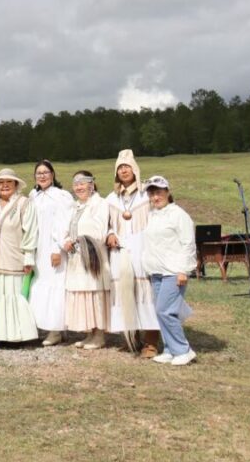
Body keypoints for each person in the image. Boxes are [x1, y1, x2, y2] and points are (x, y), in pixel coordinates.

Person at [105, 149, 160, 357]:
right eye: (120, 168)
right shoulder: (111, 198)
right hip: (120, 251)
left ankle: (151, 341)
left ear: (135, 169)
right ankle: (131, 336)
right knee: (125, 292)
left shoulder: (146, 194)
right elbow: (107, 223)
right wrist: (110, 233)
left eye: (127, 167)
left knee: (146, 294)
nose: (124, 171)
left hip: (143, 249)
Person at [142, 176, 197, 365]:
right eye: (152, 193)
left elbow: (188, 244)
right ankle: (170, 349)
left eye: (159, 192)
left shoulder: (178, 215)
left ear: (167, 192)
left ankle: (183, 349)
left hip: (173, 271)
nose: (155, 197)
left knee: (165, 311)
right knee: (161, 312)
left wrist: (184, 270)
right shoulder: (153, 215)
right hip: (156, 272)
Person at [0, 168, 39, 343]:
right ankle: (2, 336)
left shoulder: (24, 203)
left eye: (9, 182)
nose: (5, 185)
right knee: (1, 296)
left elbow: (30, 231)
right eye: (1, 182)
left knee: (17, 297)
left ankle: (21, 336)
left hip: (17, 257)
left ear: (16, 185)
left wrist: (29, 257)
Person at [61, 172, 111, 350]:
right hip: (76, 257)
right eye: (76, 184)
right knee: (84, 293)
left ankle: (99, 335)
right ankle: (90, 333)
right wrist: (65, 241)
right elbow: (66, 230)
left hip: (94, 257)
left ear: (91, 185)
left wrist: (77, 239)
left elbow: (100, 231)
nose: (79, 187)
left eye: (83, 183)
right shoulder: (75, 207)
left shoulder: (100, 204)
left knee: (94, 293)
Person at [28, 160, 74, 346]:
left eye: (46, 172)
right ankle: (47, 327)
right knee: (41, 285)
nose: (42, 176)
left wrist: (57, 249)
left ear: (53, 175)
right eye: (38, 173)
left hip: (54, 248)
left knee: (55, 286)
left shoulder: (61, 196)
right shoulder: (33, 196)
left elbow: (64, 223)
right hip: (39, 247)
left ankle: (56, 329)